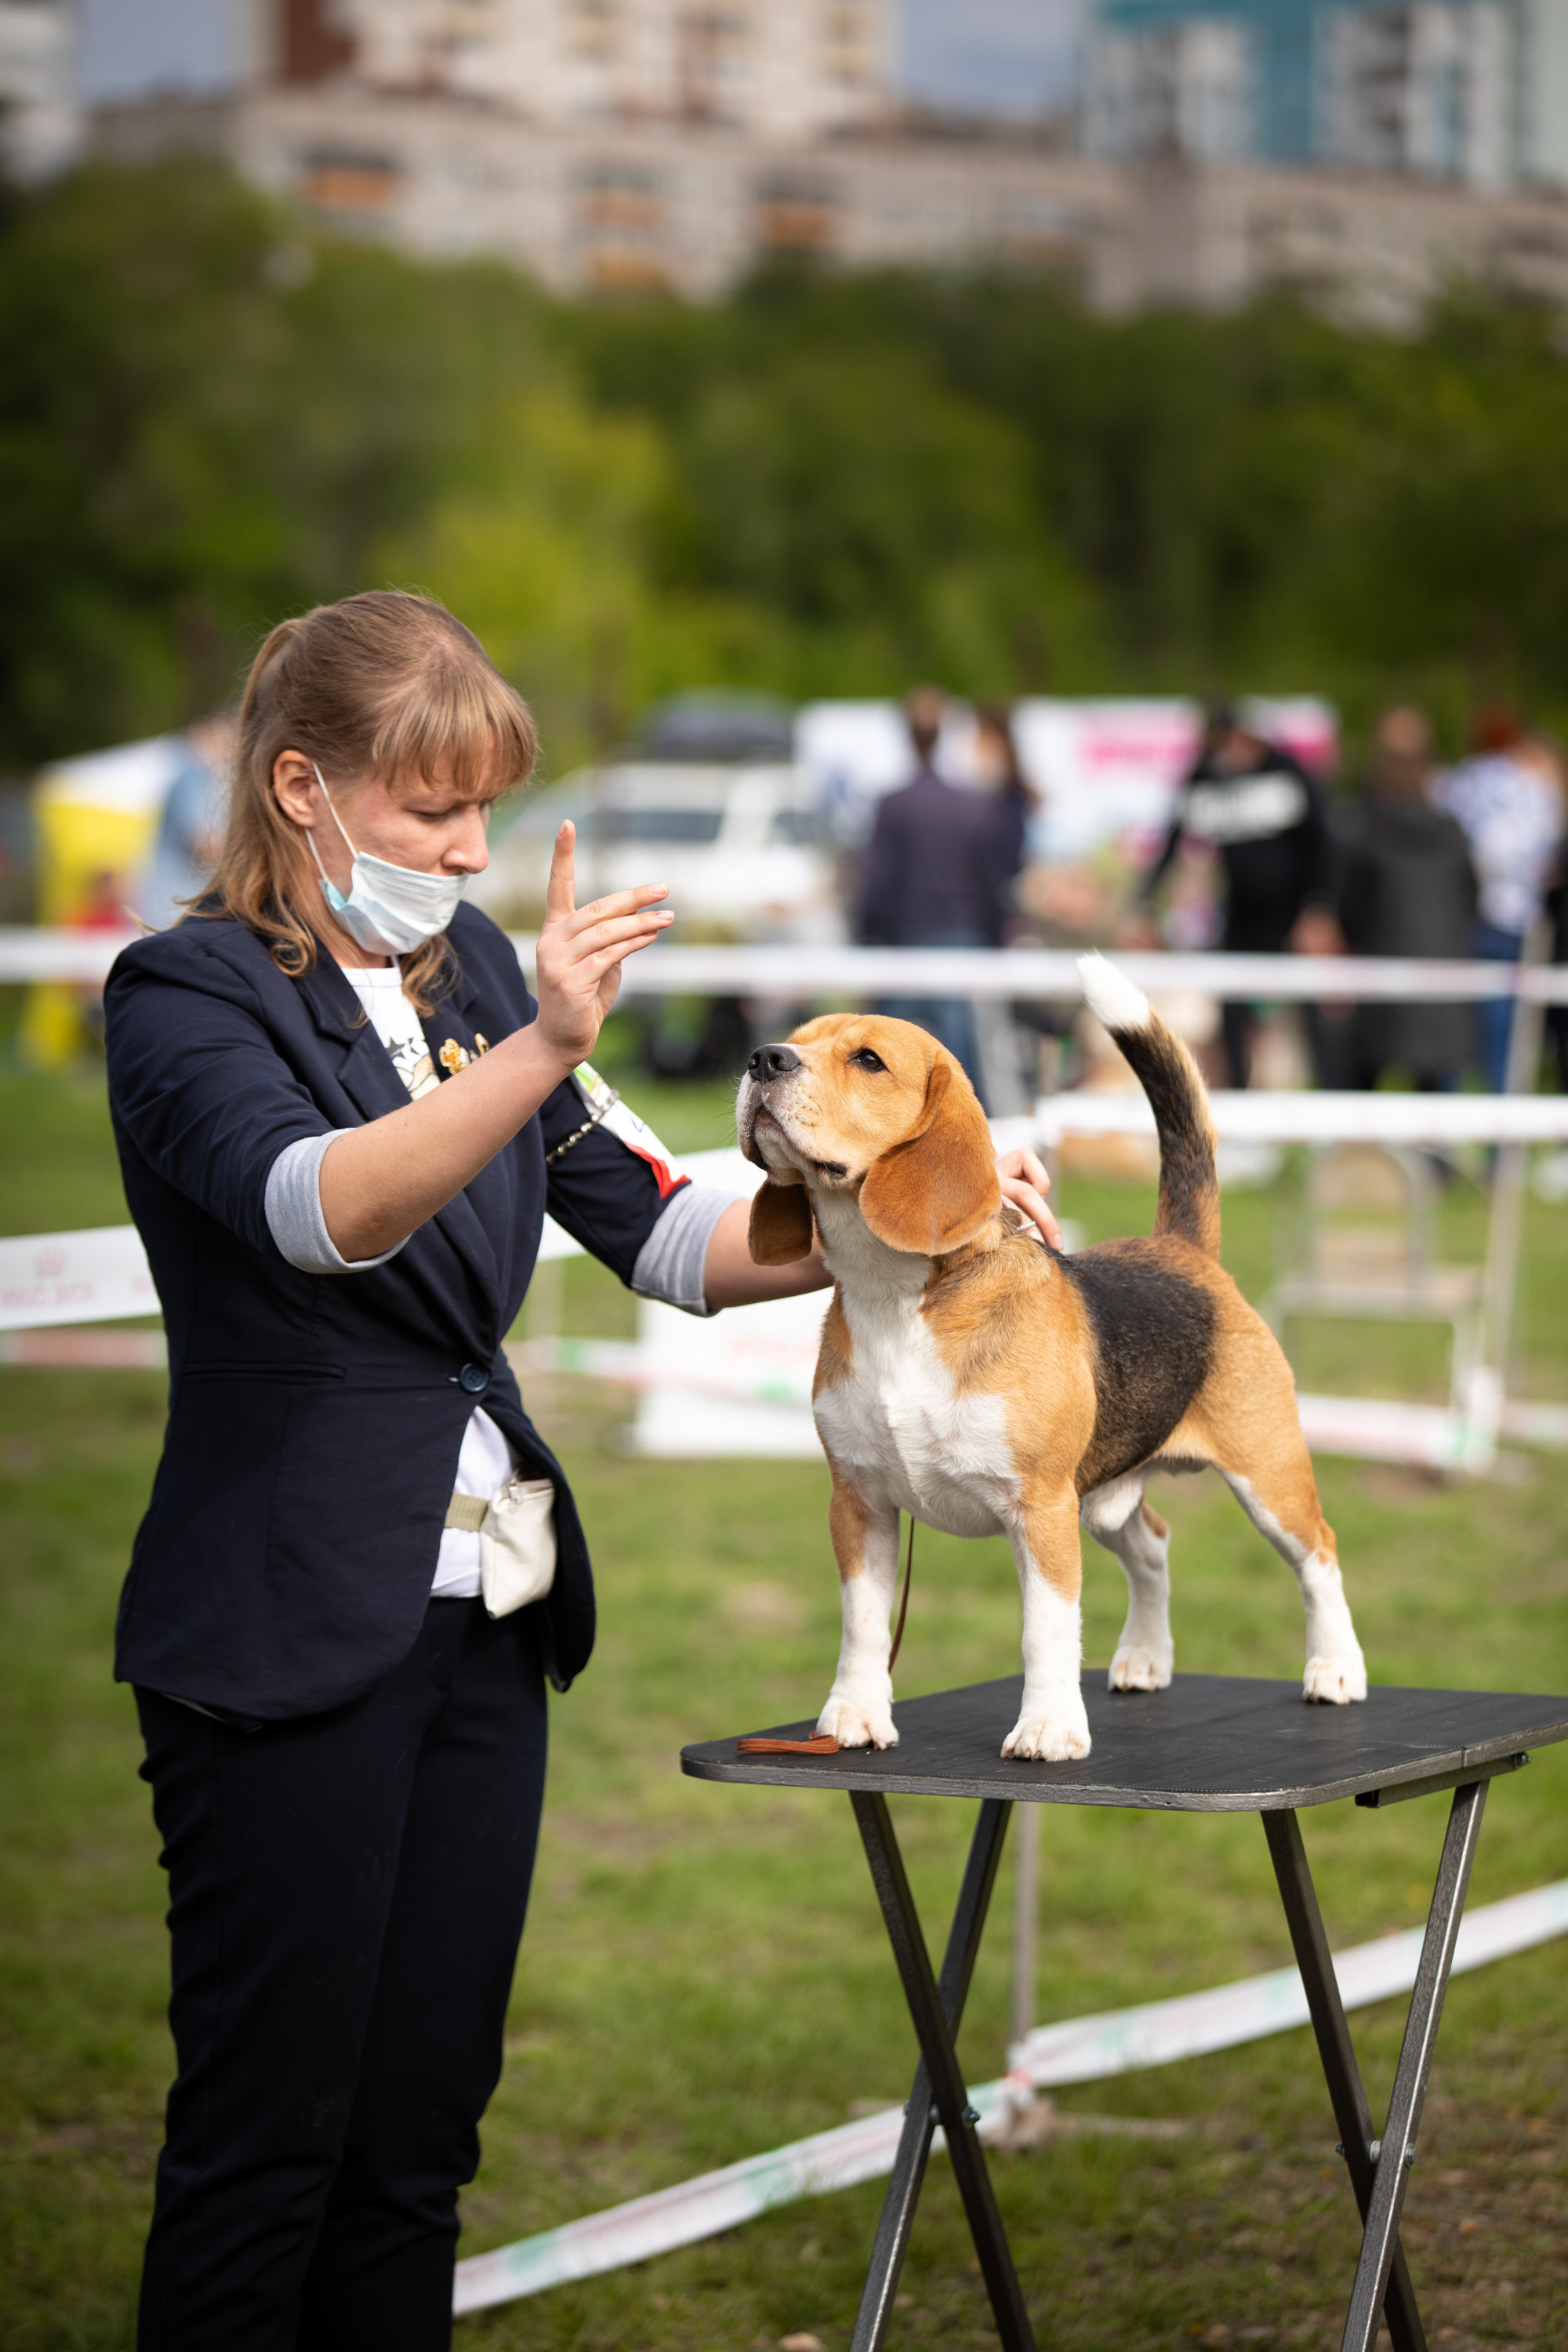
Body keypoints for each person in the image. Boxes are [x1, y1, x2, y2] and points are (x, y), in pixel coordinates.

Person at [104, 590, 1059, 2351]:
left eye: (485, 811)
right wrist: (545, 1039)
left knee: (417, 2146)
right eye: (431, 811)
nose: (468, 851)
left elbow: (674, 1234)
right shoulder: (182, 994)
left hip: (483, 1627)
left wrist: (923, 1202)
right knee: (265, 2151)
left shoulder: (473, 971)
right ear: (302, 788)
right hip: (282, 1628)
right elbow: (321, 1211)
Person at [1134, 702, 1341, 1087]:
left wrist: (1319, 907)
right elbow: (1171, 843)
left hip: (1292, 912)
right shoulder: (1207, 777)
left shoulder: (1287, 772)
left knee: (1310, 1011)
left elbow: (1322, 845)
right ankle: (1240, 1095)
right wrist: (1144, 903)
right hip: (1242, 914)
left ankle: (1330, 1092)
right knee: (1231, 1006)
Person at [858, 686, 1026, 1103]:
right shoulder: (971, 805)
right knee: (960, 1056)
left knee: (881, 1054)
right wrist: (993, 933)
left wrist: (866, 932)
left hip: (905, 940)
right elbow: (993, 883)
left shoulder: (895, 804)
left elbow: (876, 880)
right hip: (961, 939)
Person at [1336, 706, 1478, 1091]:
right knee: (1433, 1109)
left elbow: (1349, 910)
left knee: (1358, 1107)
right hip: (1441, 990)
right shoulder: (1453, 833)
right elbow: (1472, 903)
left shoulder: (1363, 830)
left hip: (1379, 989)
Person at [1434, 705, 1565, 1092]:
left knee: (1454, 1024)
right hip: (1517, 921)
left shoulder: (1459, 782)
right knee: (1507, 1036)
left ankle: (1443, 1135)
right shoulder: (1534, 787)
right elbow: (1548, 854)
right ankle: (1500, 1141)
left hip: (1463, 917)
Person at [138, 717, 234, 931]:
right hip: (175, 913)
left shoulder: (203, 782)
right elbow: (204, 846)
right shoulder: (193, 778)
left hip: (181, 913)